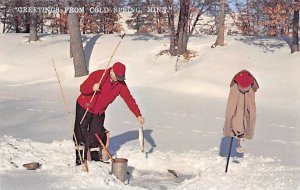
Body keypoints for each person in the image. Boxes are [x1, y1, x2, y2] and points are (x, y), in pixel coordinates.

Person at [73, 62, 145, 165]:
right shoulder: (98, 75)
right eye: (117, 76)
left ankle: (95, 160)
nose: (119, 79)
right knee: (80, 133)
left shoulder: (120, 85)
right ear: (112, 71)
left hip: (99, 112)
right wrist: (92, 88)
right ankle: (79, 160)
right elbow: (82, 88)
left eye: (121, 77)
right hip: (85, 106)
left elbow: (129, 99)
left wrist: (138, 115)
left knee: (96, 134)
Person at [223, 70, 259, 153]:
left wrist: (227, 131)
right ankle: (239, 142)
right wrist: (249, 133)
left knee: (233, 112)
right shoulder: (251, 88)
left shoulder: (235, 86)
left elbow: (230, 109)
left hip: (234, 124)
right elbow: (252, 112)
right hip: (244, 124)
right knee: (248, 115)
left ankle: (235, 142)